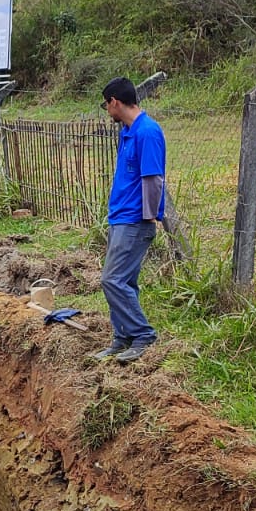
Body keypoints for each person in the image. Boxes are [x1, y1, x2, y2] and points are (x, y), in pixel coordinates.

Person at [92, 77, 167, 364]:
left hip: (135, 220)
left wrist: (148, 218)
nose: (106, 110)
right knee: (125, 281)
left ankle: (143, 334)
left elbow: (153, 179)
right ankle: (122, 338)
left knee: (111, 279)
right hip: (120, 218)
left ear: (115, 102)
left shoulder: (147, 132)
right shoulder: (128, 131)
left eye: (106, 104)